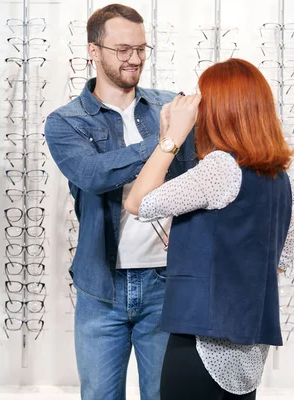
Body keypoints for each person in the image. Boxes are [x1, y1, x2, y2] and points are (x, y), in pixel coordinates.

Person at [45, 4, 196, 399]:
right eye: (123, 49)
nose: (135, 59)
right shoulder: (67, 121)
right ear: (93, 51)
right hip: (101, 287)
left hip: (167, 281)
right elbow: (93, 175)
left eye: (142, 49)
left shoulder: (170, 106)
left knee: (165, 394)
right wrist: (164, 142)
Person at [125, 58, 294, 400]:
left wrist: (171, 138)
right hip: (247, 343)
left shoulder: (221, 167)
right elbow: (280, 259)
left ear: (220, 110)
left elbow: (138, 202)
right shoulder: (280, 179)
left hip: (201, 340)